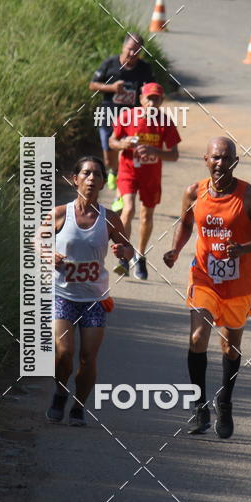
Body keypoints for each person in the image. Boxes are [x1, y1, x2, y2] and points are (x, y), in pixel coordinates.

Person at [163, 137, 251, 438]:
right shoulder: (193, 192)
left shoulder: (249, 195)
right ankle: (199, 407)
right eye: (215, 158)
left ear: (235, 162)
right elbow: (186, 224)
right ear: (205, 159)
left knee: (230, 347)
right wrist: (175, 250)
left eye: (226, 158)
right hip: (204, 278)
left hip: (237, 284)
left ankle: (224, 402)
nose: (220, 164)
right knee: (198, 337)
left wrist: (242, 249)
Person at [46, 156, 134, 426]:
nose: (92, 179)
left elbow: (128, 251)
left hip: (95, 299)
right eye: (86, 173)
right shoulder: (61, 214)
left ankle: (79, 406)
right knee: (64, 353)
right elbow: (36, 239)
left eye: (97, 174)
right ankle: (61, 392)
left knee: (87, 357)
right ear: (75, 179)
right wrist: (48, 254)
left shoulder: (110, 219)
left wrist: (123, 251)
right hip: (64, 296)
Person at [109, 83, 181, 280]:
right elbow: (112, 141)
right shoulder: (127, 116)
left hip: (151, 174)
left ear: (161, 100)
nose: (151, 103)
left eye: (156, 99)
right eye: (149, 98)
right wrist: (123, 143)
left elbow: (174, 155)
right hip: (129, 171)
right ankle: (124, 254)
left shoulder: (164, 121)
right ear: (141, 99)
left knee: (146, 215)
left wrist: (155, 151)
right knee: (129, 208)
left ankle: (140, 256)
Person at [89, 33, 155, 198]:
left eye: (137, 51)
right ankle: (113, 170)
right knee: (108, 150)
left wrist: (146, 100)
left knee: (127, 149)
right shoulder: (110, 64)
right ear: (123, 47)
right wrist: (111, 88)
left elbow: (151, 88)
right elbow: (92, 85)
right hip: (108, 113)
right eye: (130, 49)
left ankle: (124, 186)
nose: (132, 54)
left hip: (132, 116)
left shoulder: (144, 68)